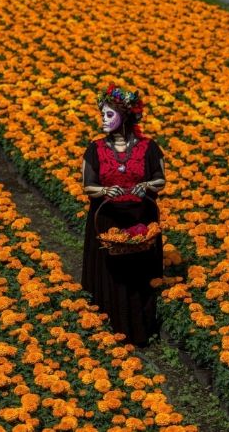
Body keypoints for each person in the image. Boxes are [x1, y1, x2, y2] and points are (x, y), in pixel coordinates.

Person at [81, 83, 167, 347]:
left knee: (138, 277)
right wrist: (105, 189)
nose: (103, 120)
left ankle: (141, 331)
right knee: (110, 277)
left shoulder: (149, 147)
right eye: (102, 114)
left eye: (109, 114)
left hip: (140, 222)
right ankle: (105, 333)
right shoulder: (95, 148)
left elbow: (160, 180)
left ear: (126, 116)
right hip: (107, 223)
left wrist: (146, 187)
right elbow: (87, 186)